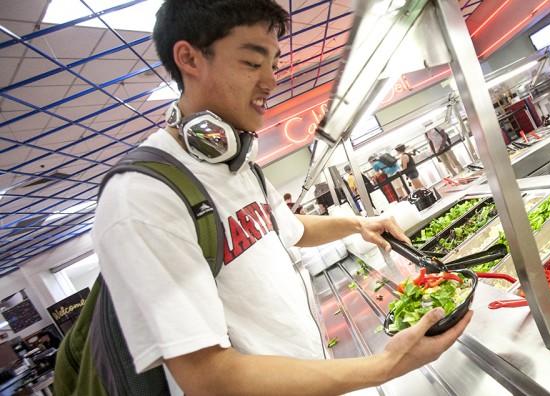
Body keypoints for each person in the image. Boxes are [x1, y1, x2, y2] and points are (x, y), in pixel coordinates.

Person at [87, 1, 472, 394]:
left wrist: (357, 224)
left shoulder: (236, 163)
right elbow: (207, 378)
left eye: (273, 63)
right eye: (253, 63)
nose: (271, 81)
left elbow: (288, 229)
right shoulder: (142, 197)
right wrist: (384, 366)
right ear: (189, 58)